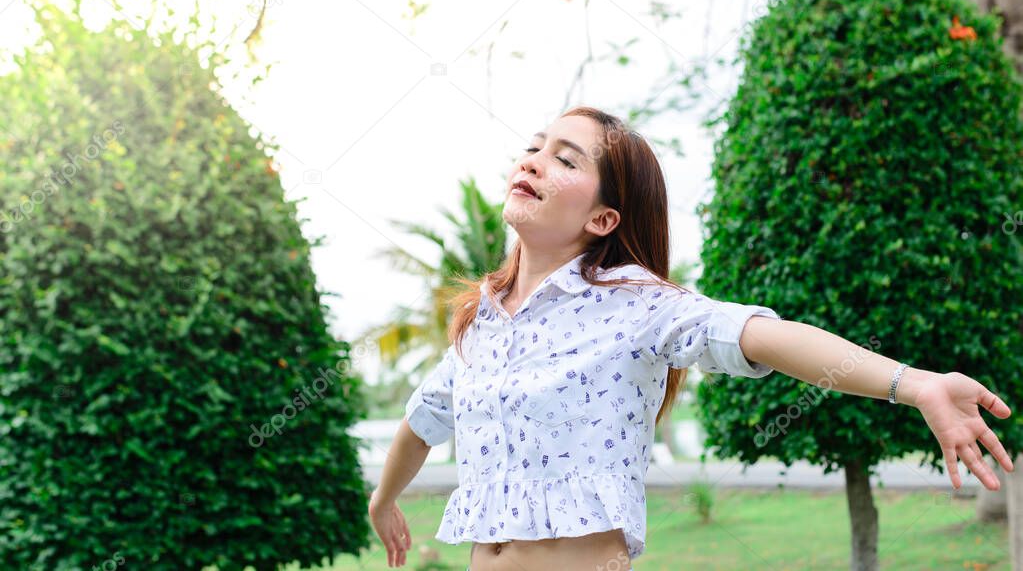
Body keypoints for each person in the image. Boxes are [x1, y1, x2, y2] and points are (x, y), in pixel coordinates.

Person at [367, 106, 1015, 570]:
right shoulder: (484, 322)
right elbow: (422, 421)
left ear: (602, 217)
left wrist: (914, 382)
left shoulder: (635, 305)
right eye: (536, 146)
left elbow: (764, 336)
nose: (534, 159)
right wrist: (383, 498)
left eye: (565, 157)